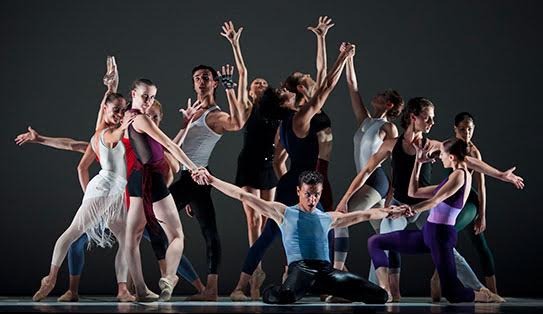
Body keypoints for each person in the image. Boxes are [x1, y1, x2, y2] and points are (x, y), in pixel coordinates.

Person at [337, 97, 524, 301]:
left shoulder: (433, 145)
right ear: (413, 117)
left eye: (433, 119)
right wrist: (346, 198)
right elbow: (366, 171)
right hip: (400, 206)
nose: (432, 123)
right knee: (382, 239)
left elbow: (466, 160)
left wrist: (501, 175)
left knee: (447, 250)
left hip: (425, 208)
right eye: (428, 118)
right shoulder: (392, 145)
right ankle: (380, 291)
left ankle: (480, 290)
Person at [229, 38, 355, 301]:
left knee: (273, 234)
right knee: (316, 228)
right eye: (283, 92)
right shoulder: (298, 118)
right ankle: (325, 284)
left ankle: (242, 285)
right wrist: (342, 57)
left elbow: (278, 160)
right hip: (301, 184)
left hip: (293, 181)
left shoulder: (285, 123)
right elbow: (327, 85)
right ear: (283, 101)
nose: (285, 90)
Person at [202, 170, 394, 304]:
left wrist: (392, 211)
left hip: (326, 273)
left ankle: (328, 290)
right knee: (284, 297)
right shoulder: (284, 213)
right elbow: (243, 196)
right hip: (301, 270)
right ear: (298, 192)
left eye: (316, 195)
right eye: (308, 194)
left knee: (379, 296)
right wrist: (212, 180)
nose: (312, 200)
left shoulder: (326, 217)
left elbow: (364, 215)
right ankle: (275, 287)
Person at [168, 21, 252, 301]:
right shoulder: (193, 113)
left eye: (206, 77)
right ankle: (210, 290)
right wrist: (185, 122)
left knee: (151, 225)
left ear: (214, 82)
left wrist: (230, 85)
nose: (200, 81)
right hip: (189, 178)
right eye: (197, 78)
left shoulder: (215, 115)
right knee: (208, 232)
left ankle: (190, 284)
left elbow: (239, 122)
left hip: (196, 176)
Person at [367, 139, 502, 303]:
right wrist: (418, 163)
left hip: (441, 237)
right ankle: (385, 290)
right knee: (375, 242)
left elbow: (435, 201)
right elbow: (414, 191)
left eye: (443, 155)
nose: (440, 158)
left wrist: (410, 210)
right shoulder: (452, 177)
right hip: (428, 233)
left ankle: (482, 295)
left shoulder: (460, 176)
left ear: (451, 157)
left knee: (453, 293)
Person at [32, 91, 136, 302]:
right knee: (73, 233)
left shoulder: (98, 130)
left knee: (127, 241)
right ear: (106, 109)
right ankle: (50, 279)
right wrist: (124, 126)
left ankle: (123, 290)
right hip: (105, 189)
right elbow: (114, 136)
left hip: (114, 195)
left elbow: (79, 160)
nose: (120, 114)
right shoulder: (107, 133)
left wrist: (109, 88)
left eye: (122, 110)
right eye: (116, 110)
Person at [123, 78, 205, 302]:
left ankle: (141, 290)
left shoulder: (129, 117)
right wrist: (194, 167)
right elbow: (170, 146)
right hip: (152, 181)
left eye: (151, 97)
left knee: (133, 237)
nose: (148, 102)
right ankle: (168, 277)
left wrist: (185, 125)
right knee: (176, 235)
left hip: (138, 179)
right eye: (144, 96)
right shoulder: (140, 118)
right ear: (133, 94)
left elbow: (160, 149)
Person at [332, 50, 404, 276]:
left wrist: (392, 192)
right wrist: (349, 57)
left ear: (390, 104)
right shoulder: (365, 120)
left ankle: (337, 275)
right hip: (365, 180)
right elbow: (353, 86)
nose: (377, 95)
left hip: (376, 181)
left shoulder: (388, 127)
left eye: (382, 95)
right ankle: (394, 286)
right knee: (385, 236)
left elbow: (397, 162)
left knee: (340, 221)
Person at [430, 112, 499, 301]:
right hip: (454, 202)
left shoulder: (474, 152)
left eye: (470, 129)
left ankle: (492, 292)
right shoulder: (449, 146)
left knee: (450, 238)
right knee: (477, 244)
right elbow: (434, 150)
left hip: (469, 203)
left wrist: (482, 214)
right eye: (462, 129)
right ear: (455, 129)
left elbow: (481, 185)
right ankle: (438, 278)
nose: (466, 133)